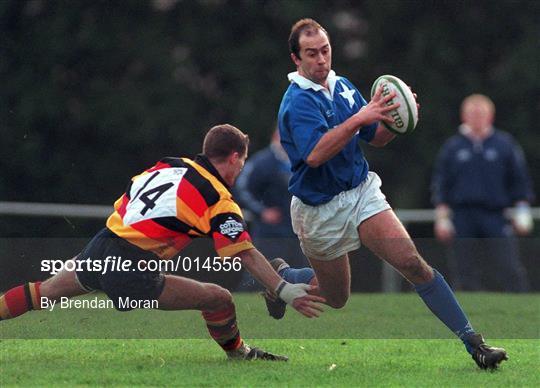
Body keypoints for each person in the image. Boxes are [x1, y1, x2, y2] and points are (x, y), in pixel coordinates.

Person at [264, 18, 508, 370]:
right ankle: (282, 278)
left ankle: (475, 344)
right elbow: (315, 154)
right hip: (318, 210)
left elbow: (374, 135)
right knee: (336, 297)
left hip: (361, 193)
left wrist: (396, 120)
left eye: (326, 51)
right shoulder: (297, 102)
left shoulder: (343, 86)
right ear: (295, 59)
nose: (321, 59)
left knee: (413, 263)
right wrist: (362, 116)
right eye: (311, 53)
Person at [0, 124, 325, 361]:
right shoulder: (218, 197)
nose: (241, 169)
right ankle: (241, 355)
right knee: (219, 299)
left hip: (103, 244)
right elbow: (244, 252)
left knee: (44, 292)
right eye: (242, 162)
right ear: (235, 157)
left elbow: (131, 191)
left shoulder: (170, 164)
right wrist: (284, 289)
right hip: (131, 267)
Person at [431, 94, 534, 292]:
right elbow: (441, 184)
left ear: (490, 116)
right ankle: (467, 318)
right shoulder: (453, 147)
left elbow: (519, 180)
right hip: (463, 216)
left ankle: (522, 310)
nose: (477, 118)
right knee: (464, 270)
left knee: (509, 267)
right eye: (473, 113)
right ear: (464, 116)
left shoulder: (504, 144)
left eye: (481, 114)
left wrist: (522, 211)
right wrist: (442, 218)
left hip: (495, 215)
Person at [234, 128, 308, 290]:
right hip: (270, 233)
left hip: (297, 232)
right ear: (276, 136)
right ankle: (243, 303)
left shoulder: (301, 160)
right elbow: (242, 189)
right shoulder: (262, 162)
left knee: (299, 274)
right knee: (258, 276)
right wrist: (262, 211)